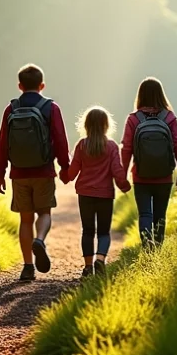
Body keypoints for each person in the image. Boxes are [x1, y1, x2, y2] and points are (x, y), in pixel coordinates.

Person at [0, 64, 70, 282]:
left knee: (25, 219)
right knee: (44, 212)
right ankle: (40, 239)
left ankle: (28, 267)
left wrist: (1, 172)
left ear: (20, 86)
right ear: (42, 85)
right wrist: (65, 166)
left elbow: (2, 143)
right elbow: (60, 139)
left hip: (19, 173)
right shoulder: (50, 108)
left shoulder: (11, 109)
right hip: (44, 171)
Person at [62, 106, 130, 278]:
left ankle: (87, 267)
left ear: (86, 125)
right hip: (105, 194)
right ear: (106, 125)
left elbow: (72, 172)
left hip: (85, 194)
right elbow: (117, 170)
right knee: (104, 232)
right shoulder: (112, 146)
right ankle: (100, 259)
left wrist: (64, 176)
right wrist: (124, 185)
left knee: (87, 230)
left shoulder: (82, 145)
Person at [120, 77, 177, 251]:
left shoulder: (134, 119)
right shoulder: (169, 117)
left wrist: (123, 175)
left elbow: (126, 149)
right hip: (164, 175)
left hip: (140, 175)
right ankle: (157, 249)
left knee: (145, 214)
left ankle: (147, 248)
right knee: (160, 215)